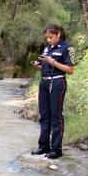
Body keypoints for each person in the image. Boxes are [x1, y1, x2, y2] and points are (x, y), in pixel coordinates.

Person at [31, 24, 74, 159]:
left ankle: (56, 149)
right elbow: (45, 67)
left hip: (57, 82)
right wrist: (38, 66)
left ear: (58, 34)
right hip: (44, 82)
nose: (48, 40)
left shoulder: (68, 48)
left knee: (56, 116)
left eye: (51, 37)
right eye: (47, 38)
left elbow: (70, 70)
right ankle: (43, 146)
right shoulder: (46, 48)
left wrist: (53, 62)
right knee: (44, 115)